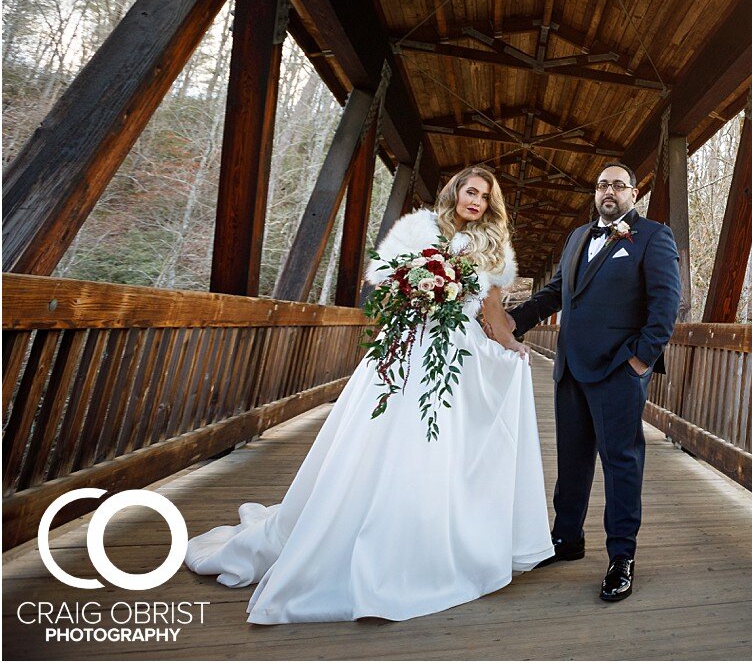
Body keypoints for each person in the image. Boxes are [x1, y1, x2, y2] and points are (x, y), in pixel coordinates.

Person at [186, 166, 554, 623]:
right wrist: (420, 289)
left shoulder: (493, 247)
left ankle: (427, 539)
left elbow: (494, 314)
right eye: (470, 190)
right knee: (384, 440)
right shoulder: (419, 229)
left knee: (439, 446)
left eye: (484, 195)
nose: (476, 199)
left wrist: (514, 345)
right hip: (405, 349)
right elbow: (382, 284)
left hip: (455, 357)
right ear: (456, 192)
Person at [488, 162, 679, 603]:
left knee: (621, 463)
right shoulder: (577, 237)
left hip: (617, 370)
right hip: (570, 368)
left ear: (634, 193)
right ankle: (566, 537)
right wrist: (511, 322)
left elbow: (666, 305)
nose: (609, 191)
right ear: (595, 193)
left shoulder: (652, 237)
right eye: (601, 185)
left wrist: (639, 362)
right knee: (572, 461)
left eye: (618, 184)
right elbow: (556, 292)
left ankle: (621, 557)